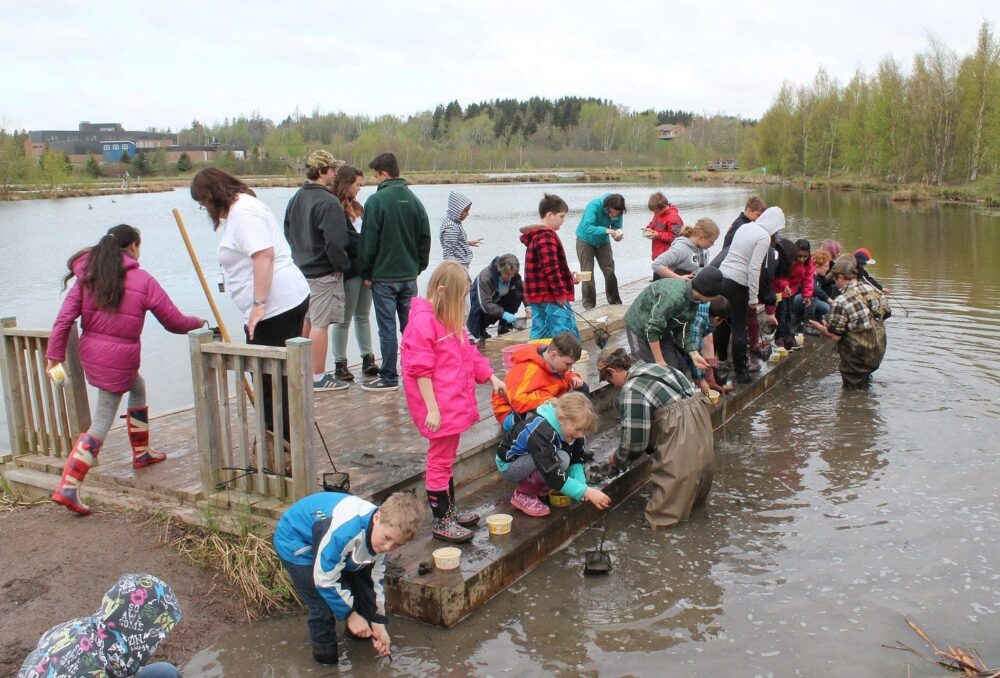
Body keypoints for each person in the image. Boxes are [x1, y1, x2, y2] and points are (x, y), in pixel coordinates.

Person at [46, 224, 204, 515]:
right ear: (133, 247)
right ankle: (69, 486)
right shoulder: (142, 280)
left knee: (138, 386)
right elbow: (174, 322)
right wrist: (199, 322)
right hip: (119, 359)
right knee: (102, 420)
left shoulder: (87, 278)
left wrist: (54, 357)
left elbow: (63, 320)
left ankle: (142, 453)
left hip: (93, 354)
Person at [191, 168, 310, 442]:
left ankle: (281, 443)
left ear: (213, 195)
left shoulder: (243, 211)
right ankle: (281, 439)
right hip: (282, 301)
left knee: (270, 380)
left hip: (276, 306)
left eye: (203, 203)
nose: (205, 209)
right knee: (274, 377)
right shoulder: (242, 209)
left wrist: (258, 305)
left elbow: (264, 256)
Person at [401, 261, 506, 542]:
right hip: (438, 404)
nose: (462, 304)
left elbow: (470, 355)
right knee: (439, 459)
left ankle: (449, 511)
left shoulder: (448, 320)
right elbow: (419, 370)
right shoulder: (423, 322)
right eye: (459, 297)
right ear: (443, 290)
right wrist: (432, 409)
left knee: (446, 458)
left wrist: (491, 377)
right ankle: (441, 520)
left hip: (452, 399)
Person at [273, 491, 424, 666]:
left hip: (330, 544)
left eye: (397, 544)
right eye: (387, 538)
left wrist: (378, 621)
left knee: (358, 588)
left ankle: (358, 639)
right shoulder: (346, 531)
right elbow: (323, 578)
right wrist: (350, 616)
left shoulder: (381, 534)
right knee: (322, 606)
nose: (388, 547)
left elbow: (373, 579)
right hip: (297, 541)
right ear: (376, 518)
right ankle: (325, 662)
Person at [598, 348, 714, 529]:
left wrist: (617, 459)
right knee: (695, 494)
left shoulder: (631, 388)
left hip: (680, 431)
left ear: (612, 371)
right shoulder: (661, 368)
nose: (615, 386)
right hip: (701, 423)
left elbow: (634, 442)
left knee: (664, 514)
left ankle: (664, 549)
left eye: (610, 380)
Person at [356, 152, 432, 391]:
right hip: (409, 277)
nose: (375, 180)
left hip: (384, 278)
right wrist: (418, 266)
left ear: (384, 174)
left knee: (387, 328)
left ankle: (389, 376)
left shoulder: (375, 202)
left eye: (376, 175)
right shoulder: (414, 200)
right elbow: (425, 238)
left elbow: (368, 242)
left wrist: (366, 271)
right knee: (411, 329)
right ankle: (415, 373)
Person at [18, 573, 182, 677]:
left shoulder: (80, 626)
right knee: (165, 674)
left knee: (163, 672)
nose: (159, 642)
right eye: (158, 634)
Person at [284, 149, 352, 391]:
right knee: (320, 323)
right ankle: (318, 376)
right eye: (333, 169)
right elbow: (335, 241)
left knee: (307, 320)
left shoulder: (296, 198)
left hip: (299, 271)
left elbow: (287, 233)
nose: (336, 173)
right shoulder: (328, 201)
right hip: (323, 272)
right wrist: (341, 266)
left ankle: (303, 373)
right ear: (323, 171)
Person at [496, 391, 611, 517]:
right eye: (578, 429)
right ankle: (523, 495)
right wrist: (587, 491)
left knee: (565, 459)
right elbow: (550, 471)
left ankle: (538, 487)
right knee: (561, 460)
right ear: (561, 419)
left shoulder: (572, 430)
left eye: (583, 430)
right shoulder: (541, 431)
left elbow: (576, 459)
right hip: (510, 465)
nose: (580, 435)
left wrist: (582, 487)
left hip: (533, 458)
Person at [714, 206, 786, 383]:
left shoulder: (745, 227)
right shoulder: (762, 237)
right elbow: (754, 268)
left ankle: (721, 362)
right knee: (739, 327)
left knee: (722, 323)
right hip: (739, 283)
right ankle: (741, 372)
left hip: (723, 277)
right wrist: (753, 298)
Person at [623, 267, 725, 374]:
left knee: (674, 366)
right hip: (638, 326)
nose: (712, 300)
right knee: (649, 369)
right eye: (714, 297)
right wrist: (659, 360)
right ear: (707, 293)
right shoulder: (673, 298)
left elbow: (684, 327)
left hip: (663, 327)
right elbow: (652, 329)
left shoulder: (695, 299)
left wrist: (693, 354)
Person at [809, 255, 890, 388]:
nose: (834, 284)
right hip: (878, 351)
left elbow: (835, 336)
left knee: (852, 393)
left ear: (841, 278)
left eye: (835, 280)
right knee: (866, 385)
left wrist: (819, 327)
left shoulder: (841, 301)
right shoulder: (872, 290)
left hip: (857, 359)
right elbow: (887, 312)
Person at [331, 164, 378, 382]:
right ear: (347, 183)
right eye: (357, 184)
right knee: (343, 318)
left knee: (363, 314)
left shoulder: (359, 208)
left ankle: (367, 357)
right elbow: (345, 241)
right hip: (349, 271)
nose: (360, 188)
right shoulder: (335, 208)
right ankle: (340, 363)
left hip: (365, 270)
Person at [491, 332, 585, 430]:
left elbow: (562, 375)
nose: (570, 368)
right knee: (547, 413)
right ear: (553, 355)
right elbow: (517, 401)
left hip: (544, 400)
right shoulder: (528, 369)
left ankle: (577, 429)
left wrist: (572, 376)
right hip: (511, 412)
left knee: (581, 389)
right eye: (567, 364)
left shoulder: (554, 363)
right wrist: (548, 399)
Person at [520, 193, 579, 340]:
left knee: (540, 332)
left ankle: (538, 359)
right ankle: (567, 360)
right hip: (550, 296)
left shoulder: (536, 235)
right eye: (561, 216)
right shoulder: (547, 236)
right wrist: (560, 293)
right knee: (565, 333)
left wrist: (568, 278)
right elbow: (551, 269)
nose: (563, 220)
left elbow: (547, 266)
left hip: (537, 296)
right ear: (550, 215)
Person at [575, 193, 626, 309]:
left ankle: (615, 301)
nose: (614, 214)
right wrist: (606, 230)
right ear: (607, 207)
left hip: (603, 241)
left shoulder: (619, 211)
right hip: (585, 240)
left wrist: (617, 235)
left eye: (617, 213)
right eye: (612, 212)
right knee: (587, 273)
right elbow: (587, 227)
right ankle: (589, 305)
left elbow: (617, 226)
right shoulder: (594, 206)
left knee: (609, 270)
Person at [467, 253, 525, 341]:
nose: (510, 277)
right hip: (481, 307)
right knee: (486, 312)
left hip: (499, 300)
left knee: (517, 295)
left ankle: (503, 326)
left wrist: (528, 307)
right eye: (507, 273)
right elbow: (485, 304)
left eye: (512, 274)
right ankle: (482, 329)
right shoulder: (485, 277)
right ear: (499, 269)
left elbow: (524, 289)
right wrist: (503, 314)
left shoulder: (513, 276)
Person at [651, 218, 719, 280]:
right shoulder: (681, 248)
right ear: (701, 238)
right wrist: (680, 278)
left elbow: (701, 270)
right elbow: (657, 264)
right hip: (677, 286)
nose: (713, 245)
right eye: (711, 241)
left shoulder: (703, 250)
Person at [709, 196, 766, 268]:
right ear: (748, 211)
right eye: (758, 215)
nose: (759, 218)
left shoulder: (742, 222)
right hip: (728, 263)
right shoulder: (741, 226)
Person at [790, 239, 829, 333]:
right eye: (826, 266)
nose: (828, 269)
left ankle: (808, 322)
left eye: (805, 256)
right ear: (817, 266)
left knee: (812, 296)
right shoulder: (791, 262)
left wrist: (821, 318)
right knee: (818, 300)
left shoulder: (818, 277)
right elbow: (813, 288)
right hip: (793, 296)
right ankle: (806, 324)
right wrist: (829, 299)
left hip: (799, 297)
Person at [439, 191, 481, 269]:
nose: (468, 214)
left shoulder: (454, 222)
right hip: (458, 269)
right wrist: (455, 272)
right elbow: (448, 254)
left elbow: (454, 242)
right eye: (466, 211)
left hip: (461, 266)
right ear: (457, 210)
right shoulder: (451, 227)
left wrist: (467, 243)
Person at [643, 191, 683, 261]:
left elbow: (676, 238)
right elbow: (653, 224)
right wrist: (648, 229)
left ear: (664, 207)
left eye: (655, 211)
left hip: (669, 257)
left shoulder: (674, 218)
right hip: (658, 255)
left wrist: (658, 235)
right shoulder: (658, 213)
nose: (654, 213)